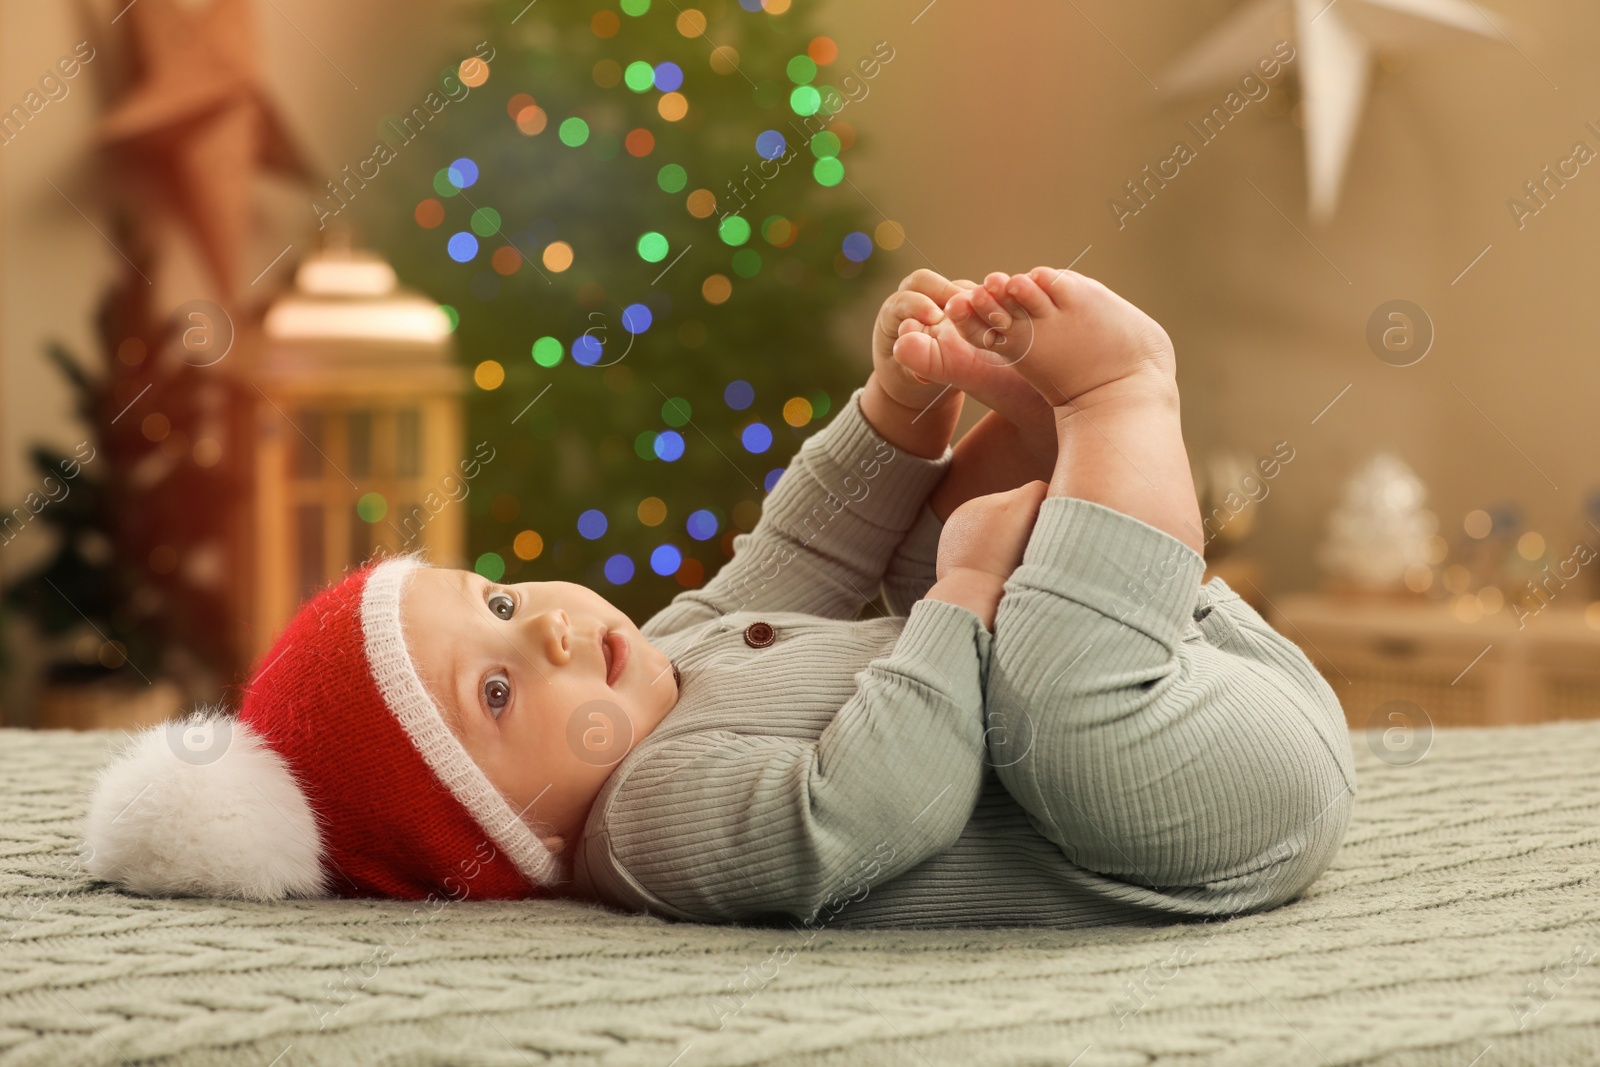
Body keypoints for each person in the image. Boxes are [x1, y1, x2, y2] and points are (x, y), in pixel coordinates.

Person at [84, 268, 1353, 928]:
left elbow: (800, 548)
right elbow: (873, 809)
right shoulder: (645, 825)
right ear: (508, 837)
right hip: (1194, 817)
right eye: (498, 685)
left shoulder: (670, 654)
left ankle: (1040, 427)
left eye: (504, 596)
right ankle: (1118, 403)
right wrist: (966, 592)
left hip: (1196, 677)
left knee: (913, 567)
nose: (555, 626)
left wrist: (895, 413)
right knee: (1008, 657)